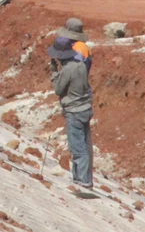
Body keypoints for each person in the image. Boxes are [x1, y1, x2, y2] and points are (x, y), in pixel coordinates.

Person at [48, 36, 94, 190]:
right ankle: (82, 178)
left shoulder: (68, 69)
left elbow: (58, 89)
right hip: (85, 108)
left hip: (74, 111)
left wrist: (54, 73)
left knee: (77, 147)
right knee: (84, 145)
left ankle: (83, 180)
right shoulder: (80, 65)